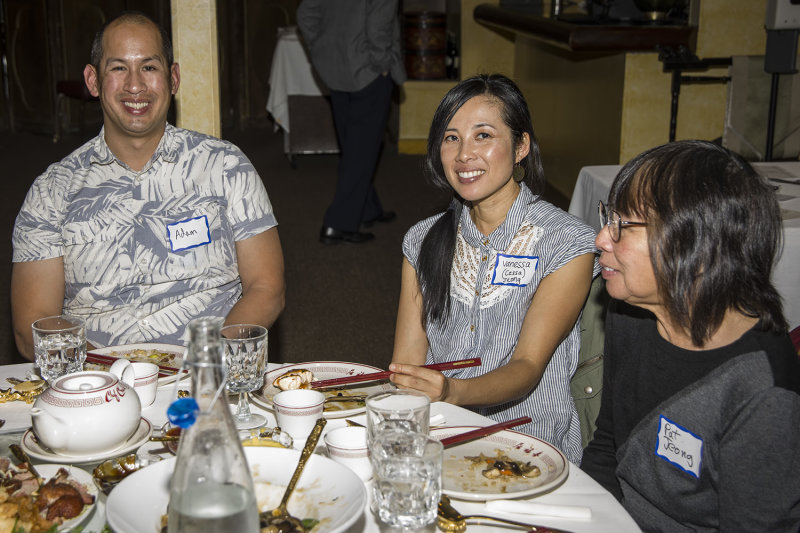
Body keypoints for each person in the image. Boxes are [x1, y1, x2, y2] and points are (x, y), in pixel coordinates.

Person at [10, 12, 285, 360]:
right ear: (93, 81)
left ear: (173, 78)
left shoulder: (225, 166)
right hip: (96, 380)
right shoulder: (51, 193)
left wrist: (210, 363)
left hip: (209, 369)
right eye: (118, 68)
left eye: (150, 67)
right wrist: (113, 376)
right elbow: (33, 324)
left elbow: (267, 287)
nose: (135, 85)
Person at [580, 140, 800, 531]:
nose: (601, 239)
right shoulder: (631, 312)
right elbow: (607, 446)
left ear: (696, 248)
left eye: (622, 226)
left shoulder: (762, 391)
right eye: (607, 218)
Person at [389, 74, 599, 464]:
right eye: (451, 138)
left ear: (521, 146)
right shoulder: (422, 241)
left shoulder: (567, 241)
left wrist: (453, 390)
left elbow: (527, 366)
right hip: (440, 433)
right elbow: (408, 363)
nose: (464, 154)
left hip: (528, 444)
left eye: (483, 136)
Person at [296, 0, 406, 245]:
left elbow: (305, 13)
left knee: (354, 144)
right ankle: (338, 223)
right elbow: (379, 26)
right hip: (368, 71)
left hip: (335, 67)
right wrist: (381, 65)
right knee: (362, 148)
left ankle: (367, 207)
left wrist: (320, 46)